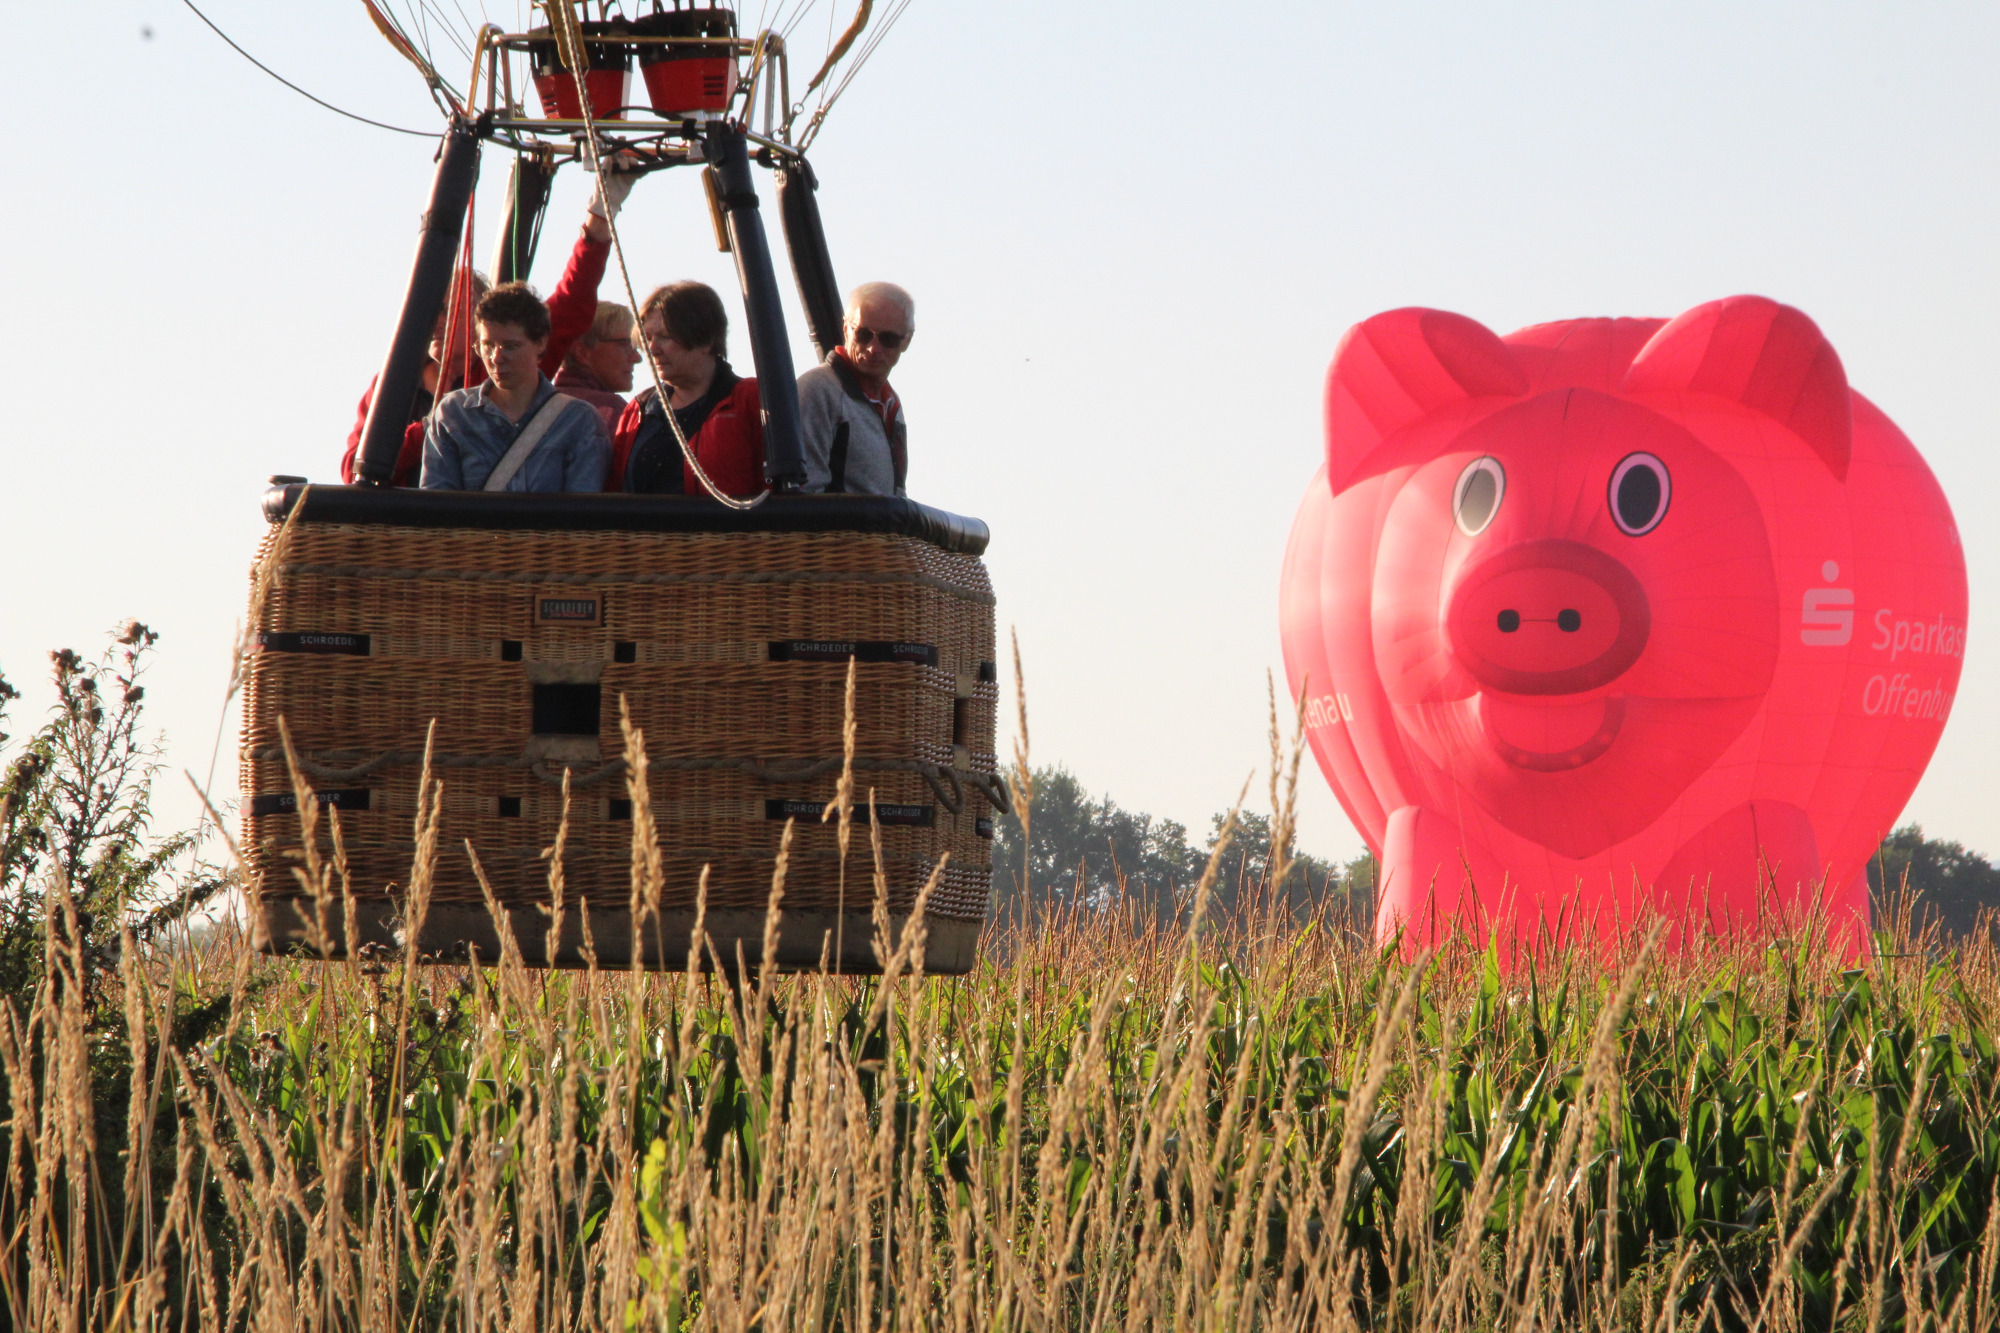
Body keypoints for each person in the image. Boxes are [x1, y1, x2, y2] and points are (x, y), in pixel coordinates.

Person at [340, 167, 637, 486]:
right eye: (427, 311)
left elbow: (572, 298)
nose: (433, 322)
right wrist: (431, 427)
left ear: (479, 320)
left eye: (445, 310)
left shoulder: (510, 362)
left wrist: (600, 212)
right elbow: (355, 471)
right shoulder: (393, 384)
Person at [419, 284, 609, 492]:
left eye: (510, 346)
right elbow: (436, 502)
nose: (496, 358)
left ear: (541, 343)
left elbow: (582, 506)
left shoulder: (578, 420)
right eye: (487, 346)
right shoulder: (452, 414)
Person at [608, 281, 764, 498]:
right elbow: (614, 490)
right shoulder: (639, 409)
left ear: (706, 340)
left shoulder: (751, 399)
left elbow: (774, 490)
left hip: (727, 521)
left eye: (665, 336)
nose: (652, 349)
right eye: (648, 338)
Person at [796, 282, 913, 496]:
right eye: (863, 334)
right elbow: (804, 491)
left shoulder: (891, 403)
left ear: (906, 341)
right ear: (846, 329)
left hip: (879, 519)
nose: (873, 348)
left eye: (888, 339)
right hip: (836, 520)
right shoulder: (818, 391)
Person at [554, 300, 641, 434]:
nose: (637, 358)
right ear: (582, 352)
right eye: (624, 344)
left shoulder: (536, 403)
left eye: (634, 347)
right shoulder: (611, 410)